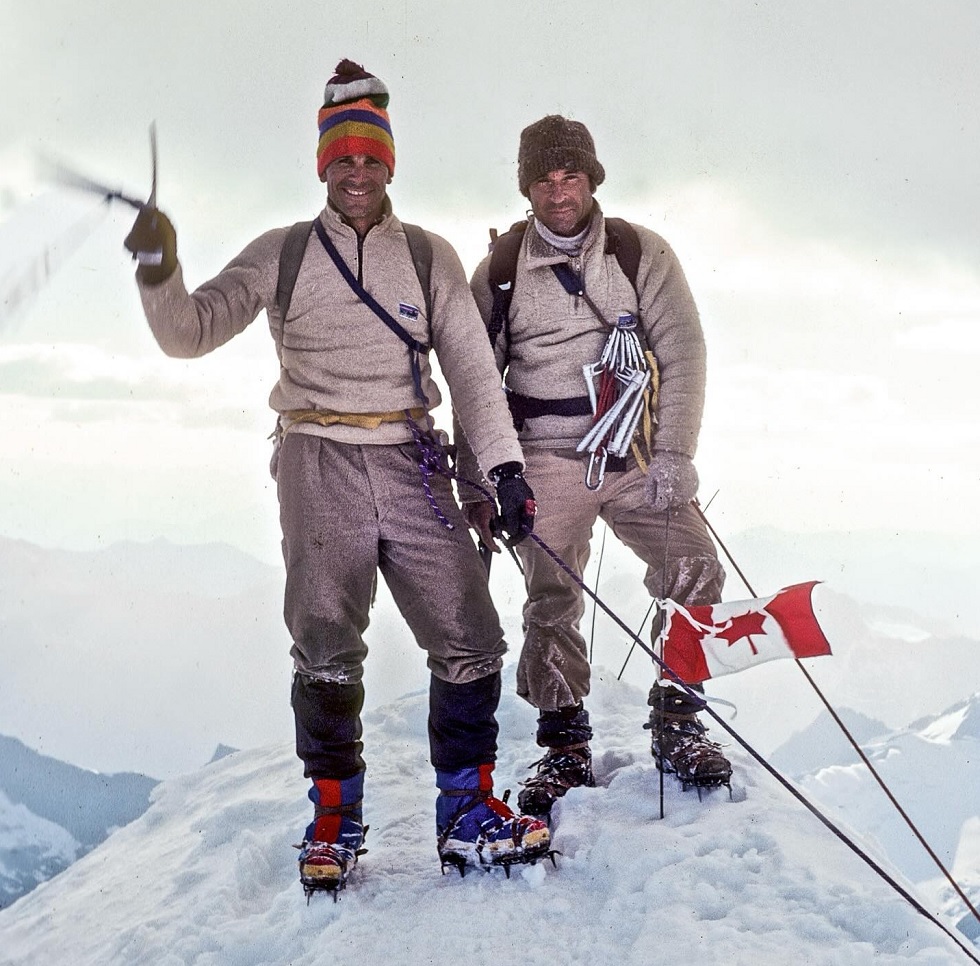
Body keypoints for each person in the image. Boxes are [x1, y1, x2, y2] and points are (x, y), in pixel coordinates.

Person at [123, 60, 550, 893]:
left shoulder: (428, 257)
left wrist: (502, 470)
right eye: (343, 160)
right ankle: (333, 815)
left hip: (411, 455)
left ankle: (466, 811)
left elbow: (470, 373)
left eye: (372, 159)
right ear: (324, 166)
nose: (358, 173)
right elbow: (189, 332)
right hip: (316, 457)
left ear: (391, 164)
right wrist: (158, 267)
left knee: (469, 631)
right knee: (324, 641)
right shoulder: (282, 254)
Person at [458, 114, 731, 817]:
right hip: (544, 452)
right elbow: (476, 381)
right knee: (552, 599)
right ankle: (564, 741)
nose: (558, 193)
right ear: (527, 189)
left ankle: (678, 719)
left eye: (570, 176)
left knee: (696, 563)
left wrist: (674, 455)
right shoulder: (499, 271)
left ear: (591, 179)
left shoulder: (641, 254)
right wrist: (482, 484)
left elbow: (684, 353)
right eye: (543, 181)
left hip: (635, 447)